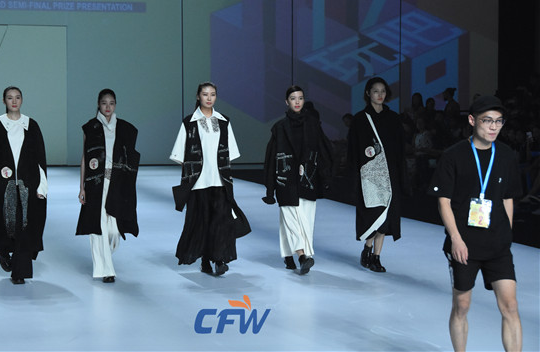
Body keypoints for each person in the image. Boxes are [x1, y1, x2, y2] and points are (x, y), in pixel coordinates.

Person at [428, 95, 523, 351]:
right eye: (487, 121)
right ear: (472, 120)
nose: (493, 127)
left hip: (497, 245)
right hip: (465, 244)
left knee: (510, 306)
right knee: (462, 305)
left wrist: (507, 234)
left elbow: (508, 197)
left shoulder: (506, 155)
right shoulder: (453, 155)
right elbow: (444, 201)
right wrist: (456, 239)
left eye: (499, 121)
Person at [170, 82, 250, 275]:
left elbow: (230, 153)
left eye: (212, 94)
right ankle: (206, 259)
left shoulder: (224, 121)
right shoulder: (189, 122)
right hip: (199, 183)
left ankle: (219, 259)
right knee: (201, 223)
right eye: (205, 94)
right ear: (198, 96)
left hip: (220, 181)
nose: (209, 98)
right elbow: (180, 155)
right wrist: (194, 172)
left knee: (221, 222)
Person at [0, 86, 47, 285]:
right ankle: (4, 251)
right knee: (5, 223)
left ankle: (19, 273)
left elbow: (40, 160)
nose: (14, 101)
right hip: (3, 185)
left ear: (22, 100)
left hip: (28, 184)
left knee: (24, 225)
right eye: (10, 98)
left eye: (17, 97)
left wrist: (42, 187)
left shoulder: (31, 125)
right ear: (4, 101)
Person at [262, 85, 333, 274]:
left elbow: (324, 150)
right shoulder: (279, 127)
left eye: (300, 98)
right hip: (285, 179)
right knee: (291, 217)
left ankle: (288, 254)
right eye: (293, 98)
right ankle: (303, 256)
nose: (297, 102)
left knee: (305, 220)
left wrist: (326, 176)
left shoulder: (313, 125)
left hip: (308, 178)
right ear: (287, 102)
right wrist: (270, 189)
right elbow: (271, 158)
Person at [76, 89, 140, 283]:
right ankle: (106, 270)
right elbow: (85, 158)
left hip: (117, 183)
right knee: (98, 226)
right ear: (98, 104)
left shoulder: (124, 128)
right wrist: (82, 187)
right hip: (97, 182)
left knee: (113, 230)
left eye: (111, 103)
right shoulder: (90, 127)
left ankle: (106, 256)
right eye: (104, 103)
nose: (108, 107)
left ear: (115, 105)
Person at [347, 77, 405, 272]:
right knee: (372, 214)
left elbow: (399, 149)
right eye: (375, 91)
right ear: (368, 93)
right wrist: (354, 178)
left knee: (386, 217)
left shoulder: (394, 119)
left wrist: (401, 176)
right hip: (369, 177)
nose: (380, 95)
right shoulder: (359, 120)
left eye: (383, 91)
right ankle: (367, 248)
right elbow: (353, 151)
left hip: (390, 175)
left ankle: (376, 257)